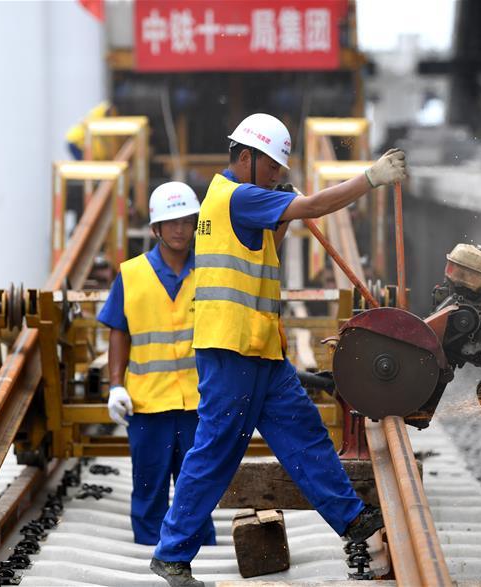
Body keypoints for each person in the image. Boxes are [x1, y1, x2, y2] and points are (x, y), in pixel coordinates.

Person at [149, 113, 407, 587]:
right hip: (231, 350)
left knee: (303, 432)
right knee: (216, 452)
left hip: (260, 349)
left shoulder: (231, 199)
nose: (276, 177)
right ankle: (171, 554)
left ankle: (352, 521)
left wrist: (285, 211)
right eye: (271, 168)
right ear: (244, 158)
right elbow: (312, 207)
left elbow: (266, 243)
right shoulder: (240, 195)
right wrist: (370, 178)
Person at [97, 182, 217, 547]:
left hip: (199, 404)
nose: (180, 229)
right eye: (171, 222)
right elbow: (120, 331)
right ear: (155, 229)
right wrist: (116, 385)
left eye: (187, 221)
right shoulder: (131, 274)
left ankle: (198, 553)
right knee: (149, 486)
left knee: (196, 488)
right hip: (148, 404)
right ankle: (149, 554)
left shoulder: (212, 271)